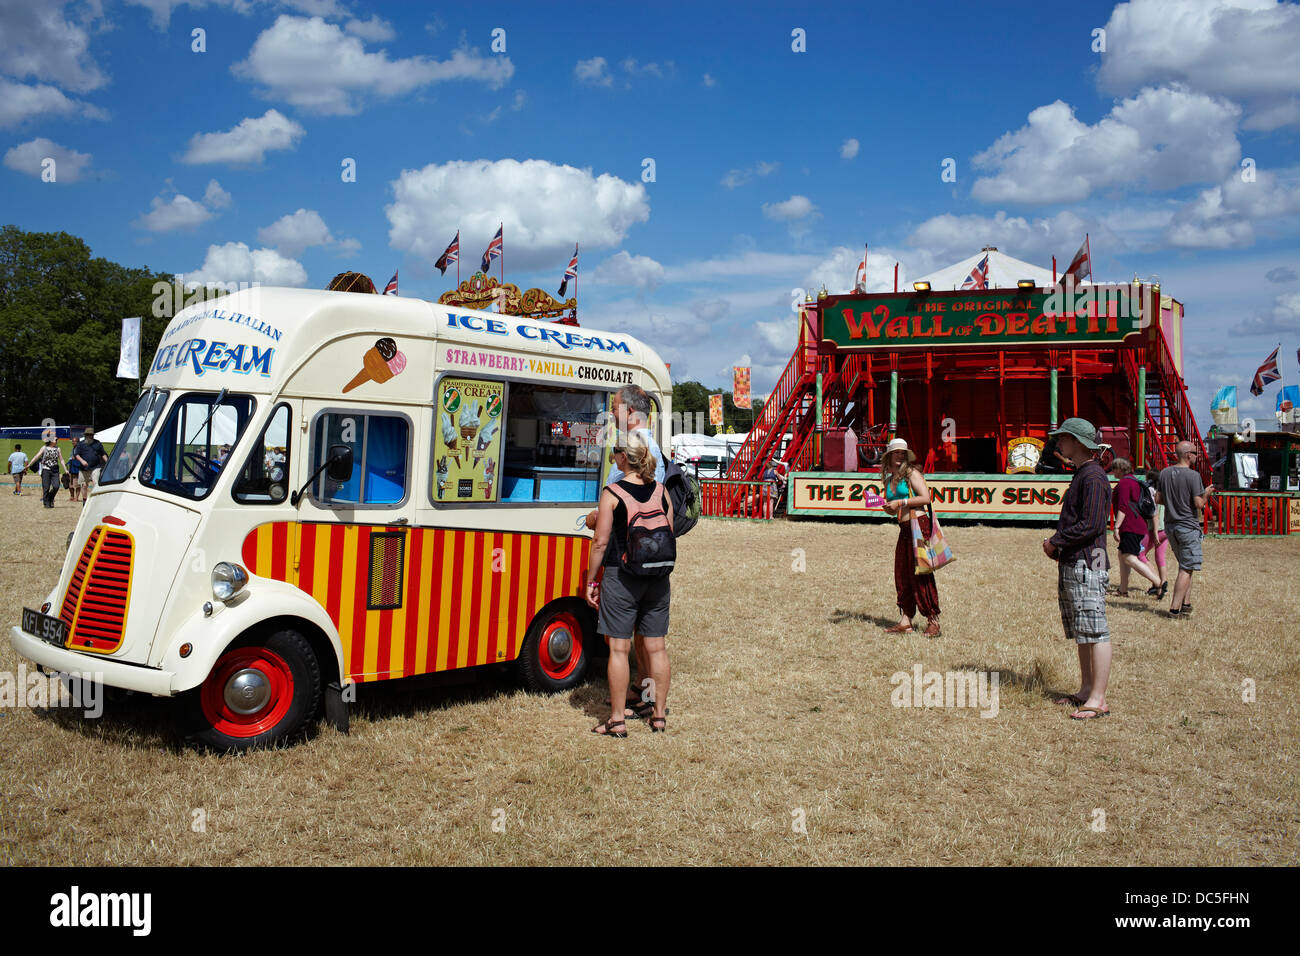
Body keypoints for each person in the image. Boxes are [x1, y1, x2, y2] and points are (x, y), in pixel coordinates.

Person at [585, 384, 666, 718]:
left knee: (626, 639)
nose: (611, 412)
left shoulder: (636, 449)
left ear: (630, 412)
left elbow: (626, 508)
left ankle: (634, 704)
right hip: (652, 559)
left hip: (626, 557)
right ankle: (646, 697)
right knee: (648, 636)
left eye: (615, 406)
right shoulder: (650, 448)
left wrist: (596, 516)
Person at [1042, 418, 1112, 720]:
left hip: (1088, 561)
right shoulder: (1086, 474)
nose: (1059, 444)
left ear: (1078, 442)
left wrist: (1056, 541)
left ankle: (1098, 698)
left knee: (1095, 630)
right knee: (1084, 630)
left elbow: (1091, 524)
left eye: (1064, 439)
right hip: (1079, 560)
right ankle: (1086, 690)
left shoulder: (1093, 477)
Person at [880, 437, 941, 637]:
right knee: (902, 573)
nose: (899, 456)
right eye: (895, 453)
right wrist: (890, 508)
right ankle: (906, 620)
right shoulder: (889, 480)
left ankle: (933, 621)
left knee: (921, 572)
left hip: (918, 525)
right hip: (904, 528)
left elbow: (925, 498)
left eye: (902, 453)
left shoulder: (911, 473)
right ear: (889, 456)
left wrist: (900, 503)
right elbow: (894, 508)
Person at [1155, 441, 1213, 617]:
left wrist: (1174, 502)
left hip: (1171, 526)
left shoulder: (1164, 473)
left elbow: (1158, 498)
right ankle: (1175, 609)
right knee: (1187, 568)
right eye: (1195, 453)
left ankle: (1186, 604)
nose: (1197, 456)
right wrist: (1207, 493)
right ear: (1188, 455)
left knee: (1185, 565)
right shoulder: (1193, 476)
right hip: (1188, 526)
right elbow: (1198, 504)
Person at [1109, 458, 1163, 596]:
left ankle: (1158, 582)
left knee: (1128, 557)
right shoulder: (1134, 481)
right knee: (1122, 556)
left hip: (1130, 525)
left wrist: (1116, 527)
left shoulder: (1124, 483)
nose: (1113, 471)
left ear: (1120, 469)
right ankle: (1123, 590)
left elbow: (1123, 506)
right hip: (1139, 524)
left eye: (1114, 468)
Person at [1140, 468, 1169, 597]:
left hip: (1154, 530)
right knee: (1160, 558)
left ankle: (1156, 582)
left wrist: (1156, 532)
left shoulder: (1152, 493)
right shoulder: (1165, 492)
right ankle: (1163, 584)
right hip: (1166, 530)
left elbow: (1154, 515)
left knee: (1140, 554)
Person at [72, 427, 107, 501]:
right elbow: (76, 454)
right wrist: (82, 461)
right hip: (83, 469)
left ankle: (95, 500)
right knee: (84, 485)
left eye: (91, 435)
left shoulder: (98, 443)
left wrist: (107, 463)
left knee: (95, 483)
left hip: (96, 467)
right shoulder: (81, 444)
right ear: (85, 435)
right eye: (88, 435)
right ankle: (84, 501)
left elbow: (103, 454)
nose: (90, 436)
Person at [34, 438, 67, 509]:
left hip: (55, 470)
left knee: (56, 486)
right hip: (46, 470)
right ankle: (46, 503)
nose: (57, 441)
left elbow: (61, 459)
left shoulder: (58, 449)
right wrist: (29, 465)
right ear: (51, 441)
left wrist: (65, 469)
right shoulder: (44, 448)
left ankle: (50, 498)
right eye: (55, 439)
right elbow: (37, 456)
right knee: (46, 487)